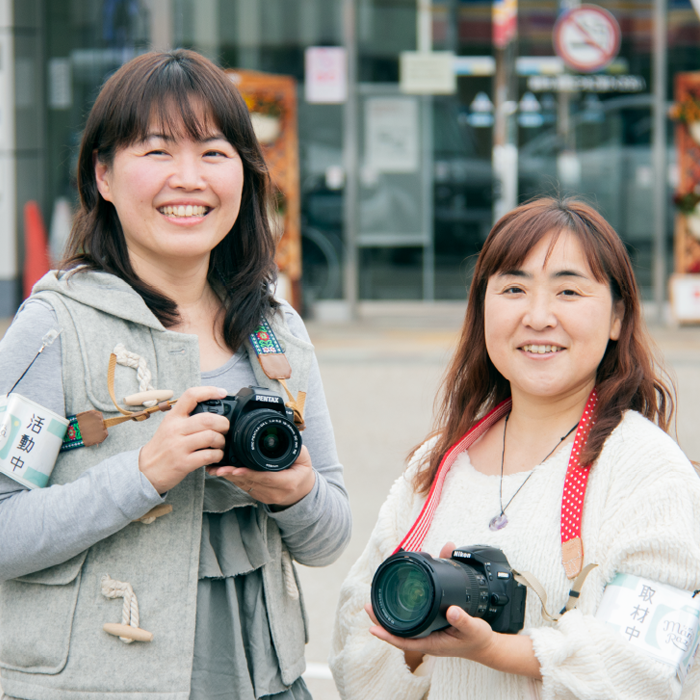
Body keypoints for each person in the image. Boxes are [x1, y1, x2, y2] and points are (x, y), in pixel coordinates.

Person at [0, 50, 351, 700]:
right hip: (96, 684)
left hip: (263, 680)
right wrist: (143, 474)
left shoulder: (276, 331)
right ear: (102, 174)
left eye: (214, 153)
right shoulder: (54, 327)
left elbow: (329, 538)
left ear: (245, 176)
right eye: (157, 152)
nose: (188, 179)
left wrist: (295, 493)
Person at [330, 197, 700, 700]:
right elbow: (354, 646)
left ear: (617, 317)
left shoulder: (650, 471)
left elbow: (649, 668)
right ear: (482, 307)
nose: (538, 315)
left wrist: (496, 650)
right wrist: (415, 642)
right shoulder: (438, 463)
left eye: (569, 290)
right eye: (513, 289)